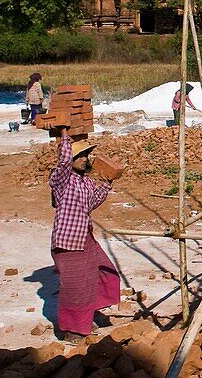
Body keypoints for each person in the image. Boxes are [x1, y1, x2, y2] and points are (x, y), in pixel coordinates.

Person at [49, 133, 120, 340]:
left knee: (104, 273)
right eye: (79, 155)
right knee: (75, 287)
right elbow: (61, 165)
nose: (84, 159)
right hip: (68, 242)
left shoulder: (86, 182)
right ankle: (72, 330)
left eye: (86, 155)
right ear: (69, 159)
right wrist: (64, 138)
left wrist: (106, 184)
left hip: (85, 237)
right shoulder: (62, 180)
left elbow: (91, 205)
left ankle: (87, 315)